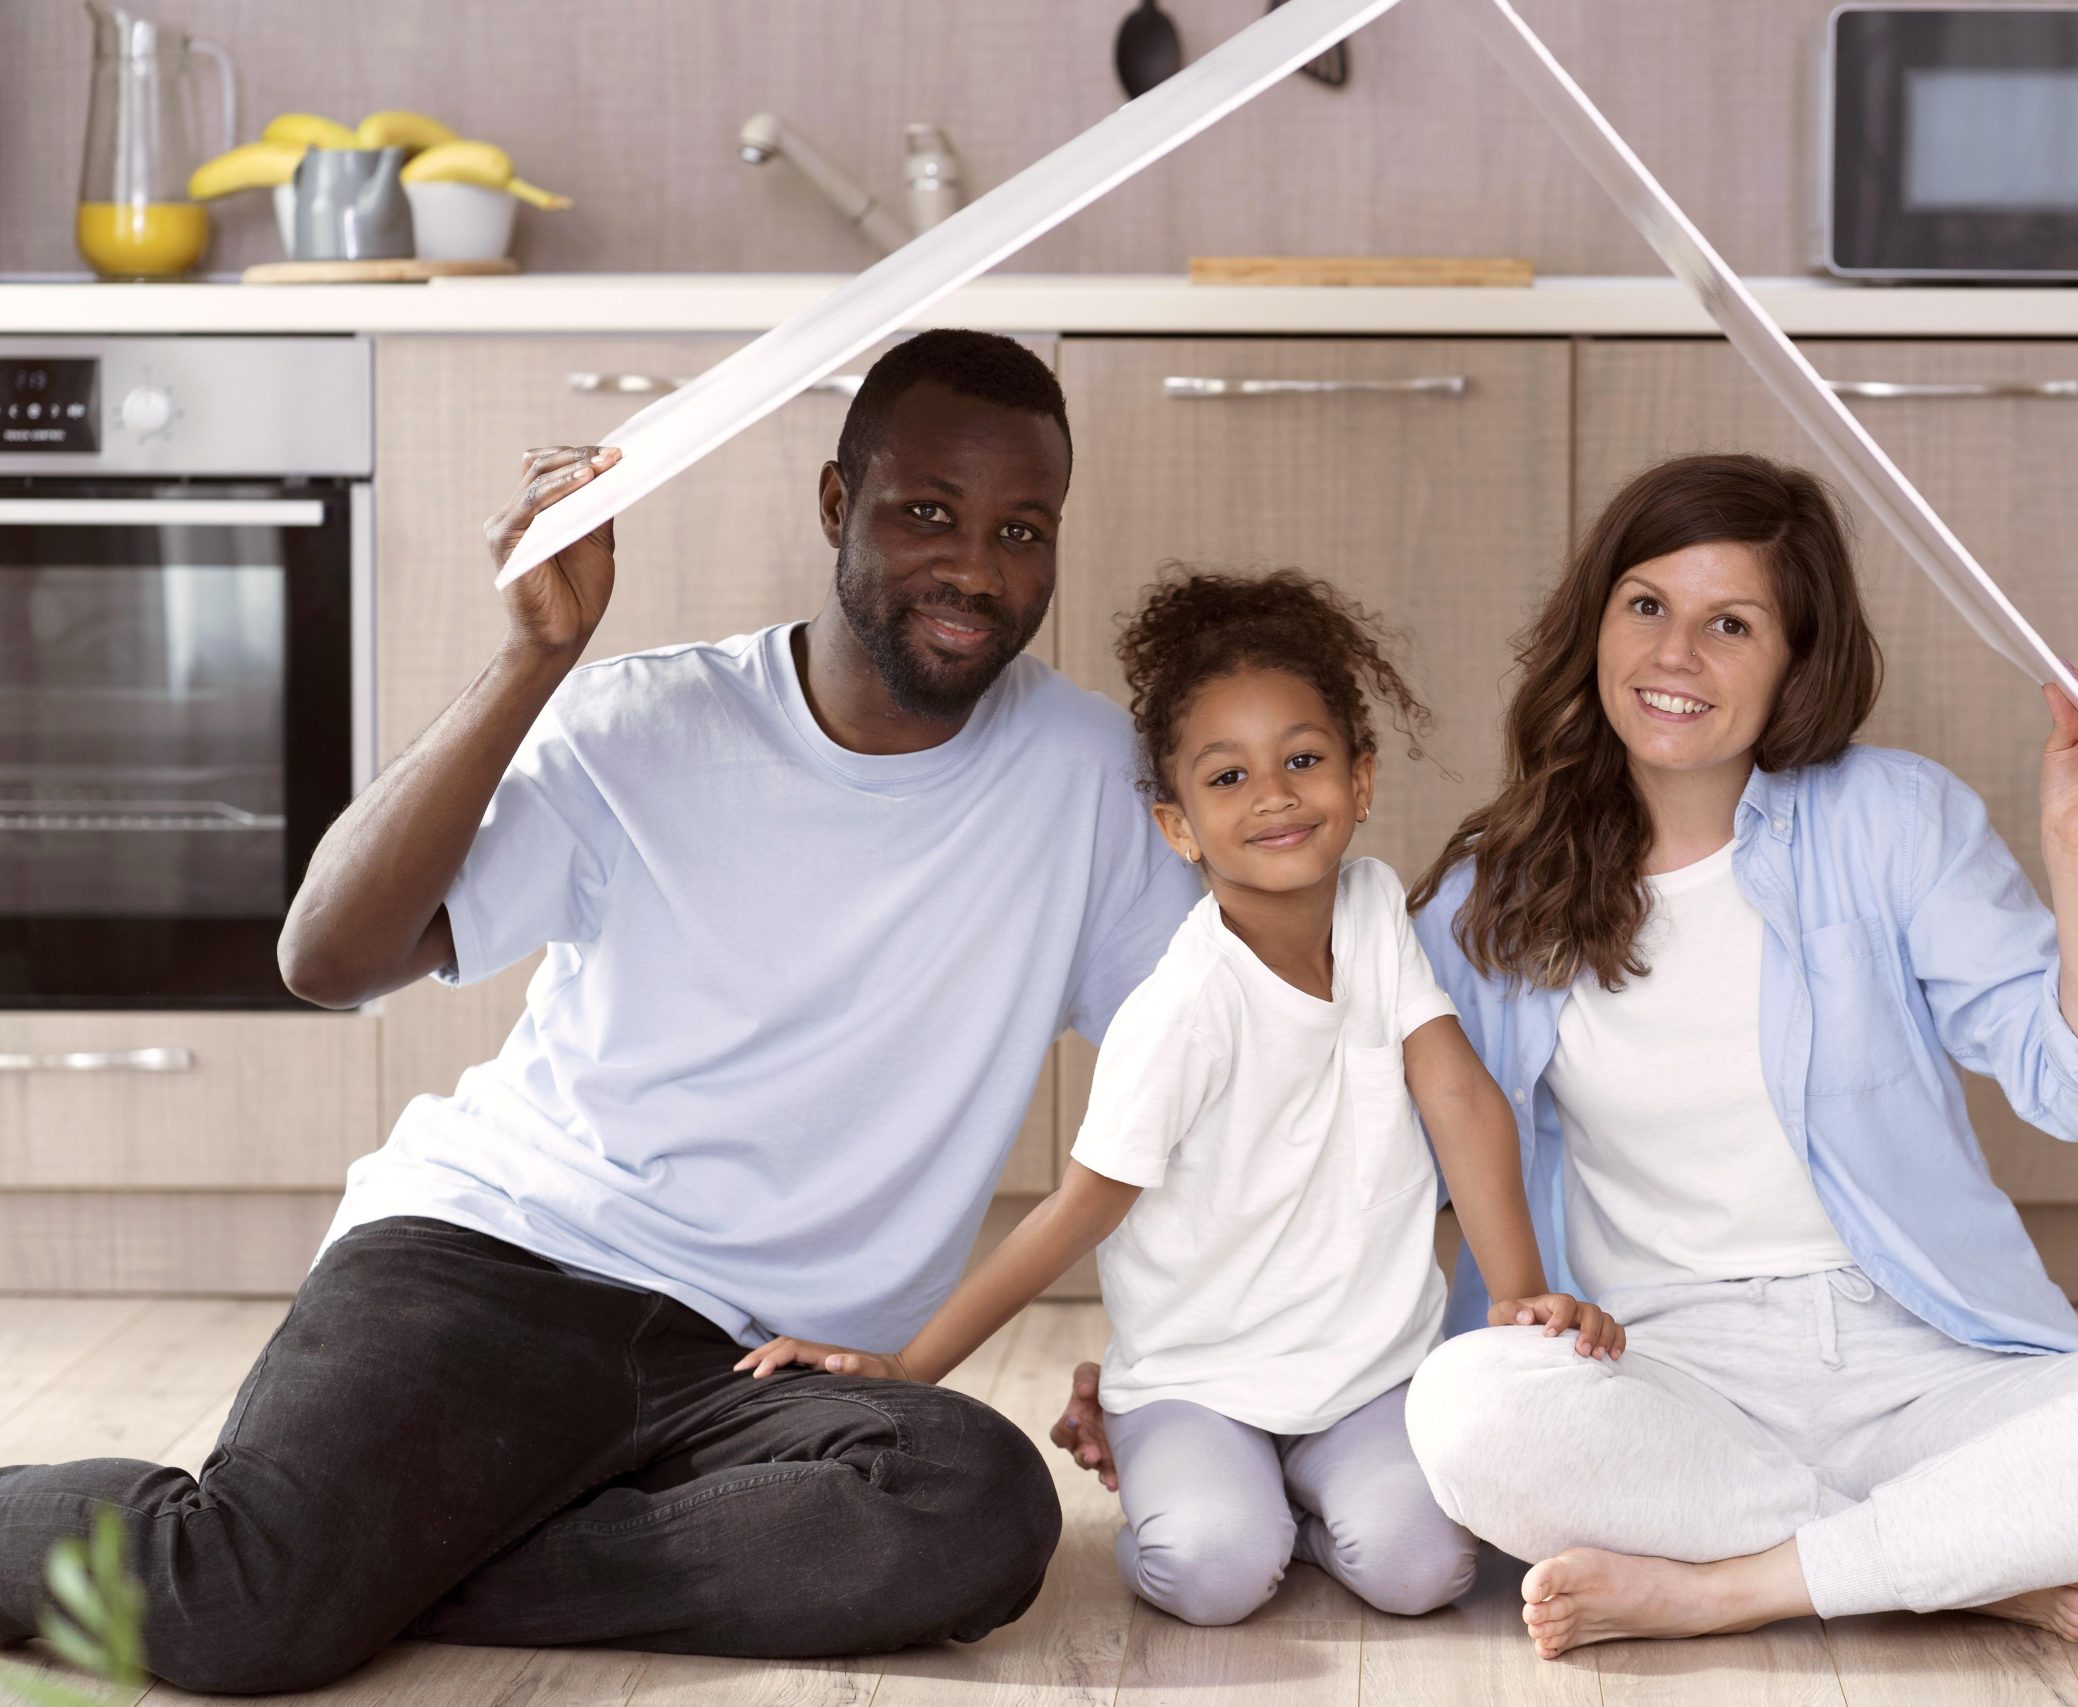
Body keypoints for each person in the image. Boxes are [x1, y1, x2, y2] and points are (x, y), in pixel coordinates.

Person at [0, 330, 1201, 1694]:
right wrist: (532, 660)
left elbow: (1208, 1083)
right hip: (498, 1261)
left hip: (768, 1373)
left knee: (974, 1501)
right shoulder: (645, 720)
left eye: (1021, 529)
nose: (977, 568)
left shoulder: (1092, 779)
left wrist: (1179, 1352)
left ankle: (393, 1558)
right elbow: (328, 955)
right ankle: (322, 1558)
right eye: (927, 511)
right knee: (241, 1607)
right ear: (835, 503)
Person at [1387, 453, 2078, 1657]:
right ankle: (1958, 1558)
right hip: (1657, 1372)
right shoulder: (1489, 893)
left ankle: (1733, 1584)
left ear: (1795, 663)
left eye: (1731, 625)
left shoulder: (1893, 819)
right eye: (1647, 605)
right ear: (1595, 621)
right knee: (1466, 1410)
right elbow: (1361, 1145)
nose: (1674, 657)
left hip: (1918, 1363)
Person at [745, 570, 1622, 1629]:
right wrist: (905, 1369)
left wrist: (1519, 1301)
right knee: (1211, 1576)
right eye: (1228, 777)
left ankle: (1298, 1494)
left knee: (1424, 1570)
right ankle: (1187, 1463)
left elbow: (1459, 1093)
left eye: (1302, 760)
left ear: (1362, 777)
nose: (1274, 796)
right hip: (1196, 1380)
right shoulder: (1184, 1009)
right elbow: (1074, 1211)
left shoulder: (1374, 905)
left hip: (1365, 1371)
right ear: (1178, 828)